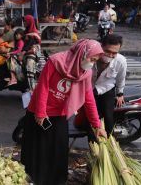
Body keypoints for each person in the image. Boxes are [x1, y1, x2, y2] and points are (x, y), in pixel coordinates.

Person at [21, 39, 107, 185]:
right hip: (40, 114)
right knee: (37, 149)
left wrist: (97, 125)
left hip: (60, 114)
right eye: (91, 59)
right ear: (82, 53)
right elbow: (43, 87)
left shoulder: (85, 72)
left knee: (58, 151)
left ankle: (55, 181)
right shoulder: (56, 61)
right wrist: (41, 112)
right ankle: (33, 179)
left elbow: (89, 98)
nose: (92, 63)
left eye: (95, 61)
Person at [92, 34, 127, 135]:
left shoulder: (121, 61)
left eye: (114, 53)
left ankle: (109, 138)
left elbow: (121, 78)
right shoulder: (91, 56)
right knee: (91, 118)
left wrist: (120, 94)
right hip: (89, 90)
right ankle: (93, 141)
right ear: (101, 46)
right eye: (107, 51)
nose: (110, 55)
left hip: (107, 89)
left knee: (108, 117)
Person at [22, 15, 42, 91]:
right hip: (24, 53)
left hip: (32, 54)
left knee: (29, 65)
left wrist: (25, 52)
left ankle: (32, 90)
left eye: (25, 21)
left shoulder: (35, 33)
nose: (24, 23)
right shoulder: (25, 32)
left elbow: (38, 48)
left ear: (29, 22)